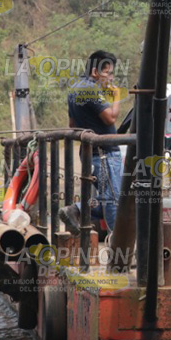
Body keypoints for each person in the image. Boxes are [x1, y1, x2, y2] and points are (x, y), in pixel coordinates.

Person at [58, 50, 123, 237]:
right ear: (95, 72)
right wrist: (116, 96)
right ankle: (117, 244)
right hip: (105, 153)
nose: (111, 78)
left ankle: (76, 210)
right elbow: (110, 118)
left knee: (109, 197)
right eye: (108, 73)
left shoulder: (75, 89)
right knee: (113, 199)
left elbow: (72, 124)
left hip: (90, 154)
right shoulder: (91, 89)